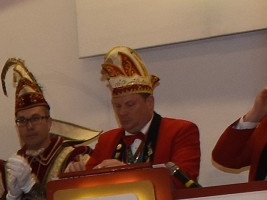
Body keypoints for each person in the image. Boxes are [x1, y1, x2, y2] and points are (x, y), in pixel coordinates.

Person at [79, 45, 201, 184]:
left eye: (130, 105)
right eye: (117, 106)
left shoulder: (180, 131)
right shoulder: (107, 140)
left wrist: (127, 172)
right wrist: (77, 175)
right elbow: (89, 186)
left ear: (149, 102)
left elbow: (183, 182)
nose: (122, 112)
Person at [0, 59, 95, 200]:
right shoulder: (7, 170)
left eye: (35, 118)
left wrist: (31, 186)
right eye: (22, 120)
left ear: (49, 123)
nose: (29, 126)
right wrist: (10, 198)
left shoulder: (74, 158)